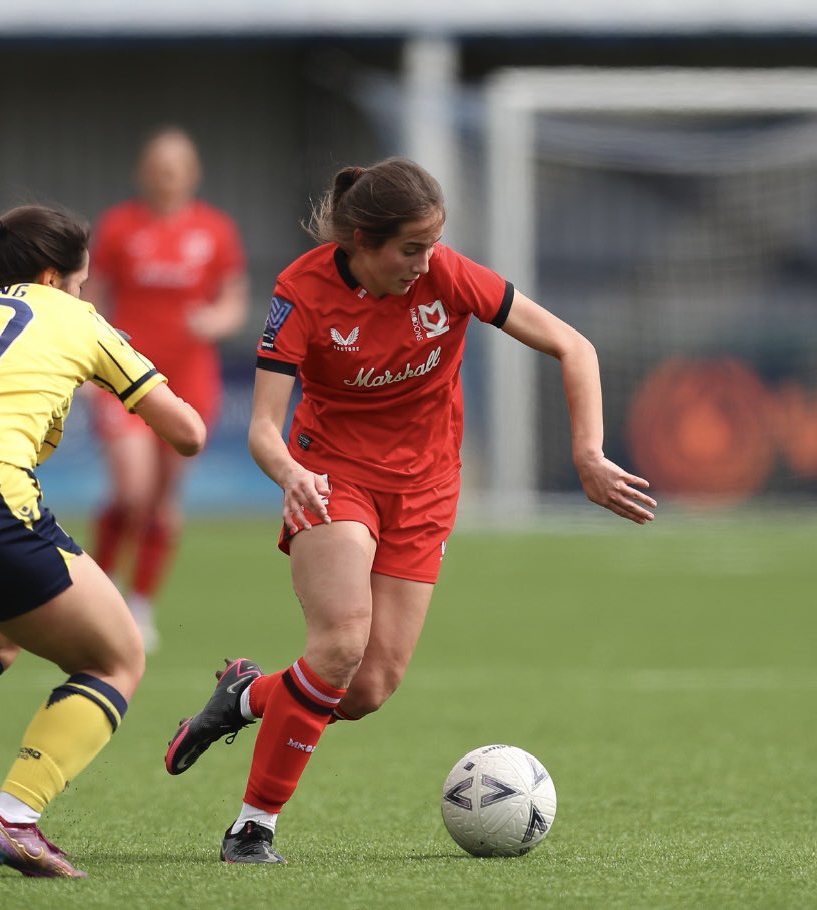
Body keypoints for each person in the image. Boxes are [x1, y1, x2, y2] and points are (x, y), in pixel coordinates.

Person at [164, 157, 657, 864]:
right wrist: (291, 473)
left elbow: (572, 346)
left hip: (426, 489)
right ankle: (253, 827)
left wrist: (588, 452)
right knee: (339, 646)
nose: (426, 264)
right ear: (362, 241)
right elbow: (263, 429)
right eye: (411, 249)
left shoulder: (448, 276)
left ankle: (244, 697)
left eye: (432, 246)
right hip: (332, 476)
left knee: (365, 688)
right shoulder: (300, 291)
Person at [0, 158, 206, 877]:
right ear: (50, 279)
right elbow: (188, 433)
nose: (83, 293)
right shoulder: (72, 315)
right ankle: (16, 818)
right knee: (117, 655)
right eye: (80, 281)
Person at [87, 126, 247, 651]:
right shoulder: (118, 227)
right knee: (130, 489)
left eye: (176, 166)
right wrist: (87, 364)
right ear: (143, 172)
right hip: (125, 377)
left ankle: (142, 606)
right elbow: (92, 298)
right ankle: (98, 589)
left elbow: (234, 302)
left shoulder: (216, 231)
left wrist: (214, 321)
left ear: (192, 173)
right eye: (158, 165)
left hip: (190, 380)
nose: (167, 175)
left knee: (161, 501)